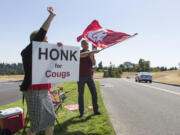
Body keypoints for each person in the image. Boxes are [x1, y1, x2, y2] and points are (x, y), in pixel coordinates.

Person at [20, 7, 62, 135]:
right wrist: (51, 16)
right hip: (33, 91)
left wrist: (59, 51)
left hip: (45, 91)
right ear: (36, 42)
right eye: (45, 41)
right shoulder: (27, 52)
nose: (48, 44)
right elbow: (41, 35)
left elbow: (52, 66)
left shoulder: (44, 55)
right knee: (37, 124)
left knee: (50, 120)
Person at [78, 40, 101, 118]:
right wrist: (90, 53)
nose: (86, 45)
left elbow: (94, 63)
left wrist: (91, 56)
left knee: (94, 93)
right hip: (80, 76)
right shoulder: (79, 53)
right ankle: (81, 112)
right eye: (84, 44)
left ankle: (96, 110)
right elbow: (82, 55)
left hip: (89, 76)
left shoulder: (91, 53)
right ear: (82, 45)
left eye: (87, 44)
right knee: (81, 95)